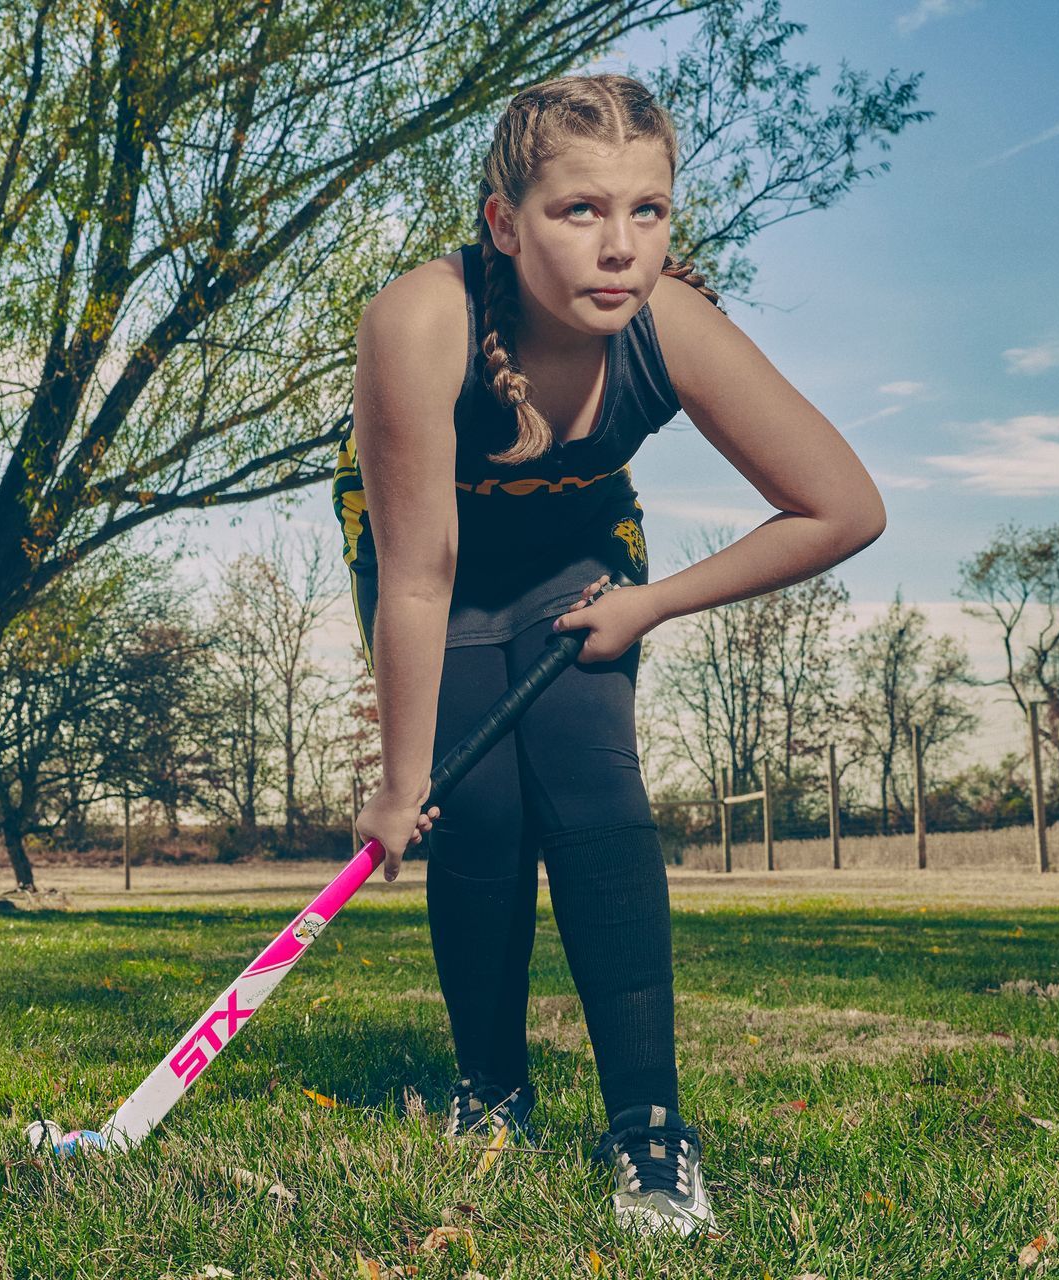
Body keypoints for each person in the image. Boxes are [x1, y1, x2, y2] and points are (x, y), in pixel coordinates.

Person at [330, 73, 886, 1237]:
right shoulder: (418, 321)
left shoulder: (668, 325)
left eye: (650, 209)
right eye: (580, 210)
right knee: (474, 808)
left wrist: (654, 604)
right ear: (504, 221)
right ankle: (491, 1093)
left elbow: (841, 507)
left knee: (589, 774)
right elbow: (422, 578)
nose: (620, 246)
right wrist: (398, 782)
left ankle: (649, 1127)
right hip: (433, 559)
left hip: (576, 551)